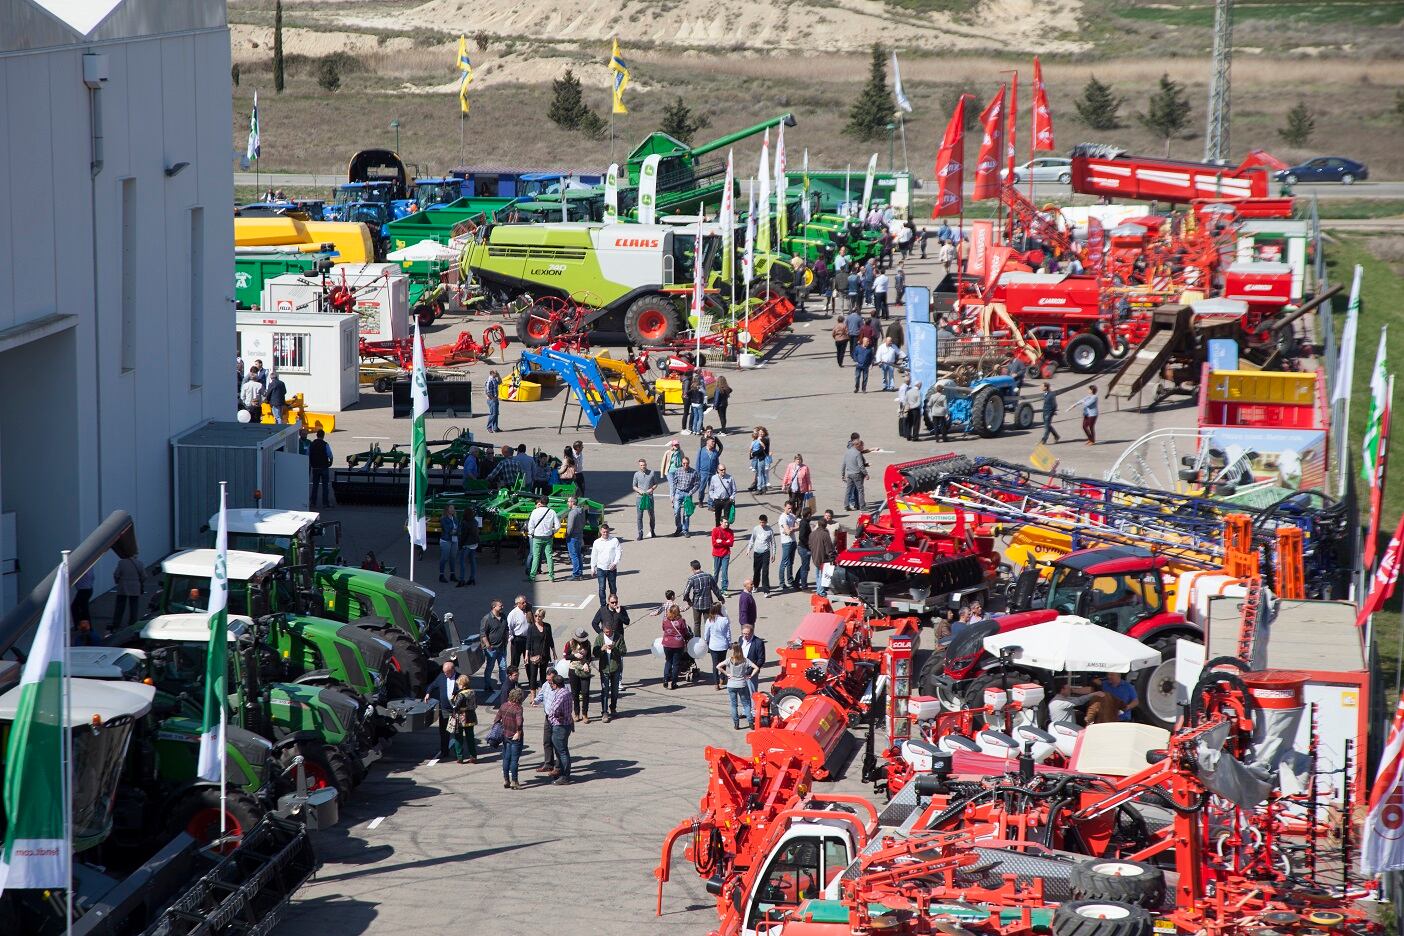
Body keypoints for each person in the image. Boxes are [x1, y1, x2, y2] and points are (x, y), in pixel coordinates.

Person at [424, 659, 461, 762]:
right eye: (444, 672)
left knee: (457, 732)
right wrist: (428, 693)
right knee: (443, 732)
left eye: (447, 672)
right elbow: (432, 685)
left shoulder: (460, 678)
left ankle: (459, 754)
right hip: (444, 709)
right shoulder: (441, 677)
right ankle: (444, 751)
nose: (445, 674)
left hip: (455, 710)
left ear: (452, 670)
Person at [718, 642, 760, 730]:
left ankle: (736, 724)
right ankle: (751, 723)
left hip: (731, 684)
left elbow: (718, 666)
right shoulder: (745, 660)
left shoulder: (730, 660)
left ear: (733, 650)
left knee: (734, 705)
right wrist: (751, 675)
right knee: (746, 704)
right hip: (742, 684)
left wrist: (727, 674)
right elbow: (756, 667)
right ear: (741, 650)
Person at [544, 671, 575, 784]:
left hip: (559, 726)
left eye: (552, 684)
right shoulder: (567, 691)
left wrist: (553, 718)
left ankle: (565, 776)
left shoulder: (560, 695)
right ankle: (562, 773)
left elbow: (553, 710)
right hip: (566, 725)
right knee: (563, 751)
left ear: (555, 685)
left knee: (561, 752)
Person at [593, 619, 627, 722]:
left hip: (615, 668)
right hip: (604, 669)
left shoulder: (618, 637)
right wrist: (602, 649)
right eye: (606, 632)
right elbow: (595, 652)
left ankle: (613, 707)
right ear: (603, 630)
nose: (608, 634)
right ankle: (604, 712)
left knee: (615, 691)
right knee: (605, 690)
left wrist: (615, 648)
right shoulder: (599, 638)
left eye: (610, 632)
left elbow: (624, 651)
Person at [494, 687, 525, 789]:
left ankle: (506, 780)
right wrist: (519, 732)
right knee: (514, 760)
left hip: (505, 735)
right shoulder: (518, 708)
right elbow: (519, 722)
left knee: (506, 758)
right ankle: (514, 781)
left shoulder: (503, 706)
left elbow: (497, 719)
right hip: (515, 736)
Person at [480, 599, 509, 703]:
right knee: (490, 667)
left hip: (502, 647)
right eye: (500, 606)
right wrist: (488, 645)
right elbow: (483, 634)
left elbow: (506, 629)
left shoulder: (503, 616)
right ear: (494, 607)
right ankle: (487, 685)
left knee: (503, 667)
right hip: (491, 649)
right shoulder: (487, 619)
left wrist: (506, 640)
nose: (502, 607)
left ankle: (504, 686)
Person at [563, 628, 594, 723]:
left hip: (584, 670)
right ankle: (576, 713)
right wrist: (574, 656)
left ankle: (585, 713)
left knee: (585, 692)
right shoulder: (570, 643)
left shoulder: (587, 643)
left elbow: (589, 657)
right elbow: (566, 656)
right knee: (575, 693)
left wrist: (586, 663)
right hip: (573, 670)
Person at [682, 558, 724, 628]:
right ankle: (708, 638)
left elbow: (685, 593)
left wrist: (689, 601)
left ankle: (697, 638)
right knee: (708, 623)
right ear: (700, 566)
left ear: (692, 568)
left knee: (697, 624)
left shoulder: (692, 579)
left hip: (696, 604)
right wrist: (721, 598)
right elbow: (715, 589)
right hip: (708, 604)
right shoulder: (708, 576)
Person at [525, 496, 559, 582]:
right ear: (548, 502)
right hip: (548, 537)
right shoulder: (552, 512)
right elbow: (558, 525)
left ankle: (532, 576)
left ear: (540, 502)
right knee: (549, 556)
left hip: (537, 537)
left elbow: (531, 525)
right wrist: (553, 532)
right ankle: (551, 576)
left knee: (536, 557)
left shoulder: (535, 511)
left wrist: (531, 533)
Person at [531, 673, 559, 776]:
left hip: (557, 719)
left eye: (550, 680)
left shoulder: (559, 688)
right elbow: (541, 695)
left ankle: (558, 767)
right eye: (547, 680)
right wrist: (536, 701)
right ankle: (548, 764)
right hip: (548, 717)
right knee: (547, 741)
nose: (549, 682)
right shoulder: (546, 685)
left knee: (557, 743)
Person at [447, 674, 478, 764]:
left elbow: (456, 706)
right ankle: (473, 756)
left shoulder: (461, 694)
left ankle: (459, 756)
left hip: (461, 717)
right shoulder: (472, 691)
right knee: (470, 737)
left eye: (459, 684)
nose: (458, 685)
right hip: (471, 716)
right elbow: (475, 704)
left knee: (458, 737)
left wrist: (452, 700)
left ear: (462, 684)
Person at [111, 554, 146, 633]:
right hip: (135, 588)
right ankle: (132, 623)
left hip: (123, 587)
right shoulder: (139, 563)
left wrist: (118, 581)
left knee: (120, 606)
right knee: (134, 606)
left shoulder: (121, 562)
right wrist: (139, 582)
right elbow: (144, 576)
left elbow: (116, 574)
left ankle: (116, 623)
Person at [589, 523, 621, 608]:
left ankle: (614, 604)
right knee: (602, 588)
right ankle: (603, 606)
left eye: (607, 532)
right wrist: (593, 568)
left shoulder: (614, 540)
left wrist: (615, 563)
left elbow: (619, 552)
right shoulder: (597, 542)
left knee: (613, 588)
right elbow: (594, 555)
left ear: (609, 531)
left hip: (612, 569)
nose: (605, 534)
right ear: (600, 532)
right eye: (603, 532)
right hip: (601, 569)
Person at [660, 605, 691, 690]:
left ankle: (666, 680)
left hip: (666, 643)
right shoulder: (681, 621)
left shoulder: (665, 620)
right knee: (676, 664)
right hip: (678, 645)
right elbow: (685, 632)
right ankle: (674, 683)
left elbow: (663, 628)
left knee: (668, 661)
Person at [668, 455, 700, 536]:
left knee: (686, 514)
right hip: (678, 493)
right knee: (676, 512)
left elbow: (697, 484)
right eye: (684, 463)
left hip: (687, 494)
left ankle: (685, 530)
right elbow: (674, 483)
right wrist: (672, 495)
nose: (685, 465)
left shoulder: (694, 472)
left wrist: (691, 492)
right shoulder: (678, 471)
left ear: (689, 463)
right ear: (681, 463)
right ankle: (679, 528)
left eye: (687, 463)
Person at [702, 606, 733, 691]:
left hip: (713, 646)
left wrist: (706, 641)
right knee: (723, 663)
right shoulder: (725, 620)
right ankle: (722, 679)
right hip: (723, 645)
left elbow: (706, 633)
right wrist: (730, 643)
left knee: (715, 665)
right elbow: (728, 633)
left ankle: (716, 684)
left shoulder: (709, 620)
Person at [525, 608, 556, 691]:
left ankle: (543, 691)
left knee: (543, 674)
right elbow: (528, 641)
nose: (537, 618)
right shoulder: (531, 627)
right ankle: (533, 694)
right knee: (533, 675)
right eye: (535, 616)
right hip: (533, 654)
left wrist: (554, 652)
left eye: (539, 616)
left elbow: (550, 640)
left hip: (544, 653)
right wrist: (526, 655)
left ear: (543, 617)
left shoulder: (547, 626)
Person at [744, 515, 775, 593]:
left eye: (763, 522)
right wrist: (748, 549)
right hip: (757, 552)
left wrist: (773, 554)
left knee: (765, 571)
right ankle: (756, 585)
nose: (762, 524)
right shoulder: (756, 529)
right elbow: (752, 540)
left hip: (765, 553)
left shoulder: (769, 530)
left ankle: (766, 590)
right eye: (760, 522)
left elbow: (773, 543)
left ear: (766, 522)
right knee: (756, 571)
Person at [808, 517, 836, 597]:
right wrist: (832, 557)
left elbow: (809, 545)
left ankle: (818, 589)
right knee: (822, 575)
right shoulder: (825, 534)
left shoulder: (812, 534)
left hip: (815, 556)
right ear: (825, 525)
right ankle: (820, 591)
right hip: (823, 558)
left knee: (817, 574)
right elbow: (829, 548)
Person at [842, 435, 869, 511]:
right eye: (862, 446)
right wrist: (866, 474)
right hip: (857, 474)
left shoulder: (847, 452)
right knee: (860, 490)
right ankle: (862, 506)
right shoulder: (858, 453)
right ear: (857, 445)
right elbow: (861, 466)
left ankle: (846, 506)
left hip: (849, 474)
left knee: (848, 490)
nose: (862, 448)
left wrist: (843, 474)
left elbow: (844, 464)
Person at [563, 496, 587, 581]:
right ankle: (580, 573)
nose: (567, 503)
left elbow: (570, 526)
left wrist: (567, 534)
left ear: (573, 502)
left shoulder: (572, 513)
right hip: (579, 535)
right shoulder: (581, 511)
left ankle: (576, 574)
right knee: (578, 554)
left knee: (574, 555)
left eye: (568, 501)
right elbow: (584, 523)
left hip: (572, 536)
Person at [777, 501, 799, 591]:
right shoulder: (782, 518)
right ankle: (782, 582)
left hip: (793, 541)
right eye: (788, 508)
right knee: (785, 562)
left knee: (791, 562)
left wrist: (792, 528)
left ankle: (790, 579)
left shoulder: (792, 516)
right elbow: (788, 532)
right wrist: (793, 529)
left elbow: (799, 526)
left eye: (791, 508)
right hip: (786, 542)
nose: (790, 510)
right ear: (784, 507)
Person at [308, 429, 333, 507]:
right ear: (323, 435)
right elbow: (330, 455)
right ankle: (325, 503)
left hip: (315, 468)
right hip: (324, 467)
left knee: (315, 486)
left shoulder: (311, 444)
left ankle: (313, 502)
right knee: (325, 486)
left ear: (317, 435)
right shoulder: (325, 444)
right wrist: (330, 462)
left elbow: (307, 454)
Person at [739, 622, 766, 695]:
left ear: (752, 633)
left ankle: (754, 706)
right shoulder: (741, 639)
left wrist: (751, 670)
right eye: (743, 633)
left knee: (752, 692)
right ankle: (746, 706)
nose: (745, 636)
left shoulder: (758, 642)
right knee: (742, 692)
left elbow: (761, 659)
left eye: (747, 634)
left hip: (751, 672)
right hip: (740, 670)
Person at [710, 517, 736, 593]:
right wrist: (726, 542)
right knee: (716, 572)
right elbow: (714, 544)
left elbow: (731, 544)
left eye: (727, 522)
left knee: (724, 572)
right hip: (717, 554)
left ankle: (724, 589)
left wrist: (721, 541)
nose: (727, 524)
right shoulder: (715, 530)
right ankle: (713, 587)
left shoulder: (730, 531)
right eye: (725, 522)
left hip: (726, 554)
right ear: (721, 522)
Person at [507, 594, 531, 673]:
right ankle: (513, 681)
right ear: (518, 604)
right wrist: (511, 638)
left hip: (527, 639)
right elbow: (509, 627)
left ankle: (531, 681)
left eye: (525, 602)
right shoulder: (513, 614)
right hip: (517, 640)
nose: (525, 604)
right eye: (523, 603)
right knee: (515, 662)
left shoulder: (528, 610)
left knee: (528, 661)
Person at [438, 504, 461, 584]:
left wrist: (455, 531)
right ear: (447, 509)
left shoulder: (455, 518)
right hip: (446, 540)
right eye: (451, 508)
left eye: (453, 508)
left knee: (453, 558)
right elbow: (447, 530)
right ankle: (441, 575)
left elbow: (459, 529)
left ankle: (452, 575)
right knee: (444, 558)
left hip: (455, 540)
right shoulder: (443, 519)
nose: (452, 509)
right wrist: (454, 531)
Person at [457, 507, 479, 587]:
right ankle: (472, 578)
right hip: (474, 544)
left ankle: (461, 580)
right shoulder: (475, 522)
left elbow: (463, 535)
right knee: (473, 562)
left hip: (466, 545)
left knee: (462, 562)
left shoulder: (465, 522)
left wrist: (460, 545)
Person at [697, 438, 721, 508]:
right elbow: (697, 462)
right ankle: (700, 500)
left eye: (714, 442)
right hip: (703, 473)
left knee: (712, 489)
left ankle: (710, 505)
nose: (714, 443)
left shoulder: (715, 452)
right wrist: (697, 472)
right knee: (701, 488)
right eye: (712, 442)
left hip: (712, 473)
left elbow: (717, 462)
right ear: (707, 442)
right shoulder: (701, 450)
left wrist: (718, 472)